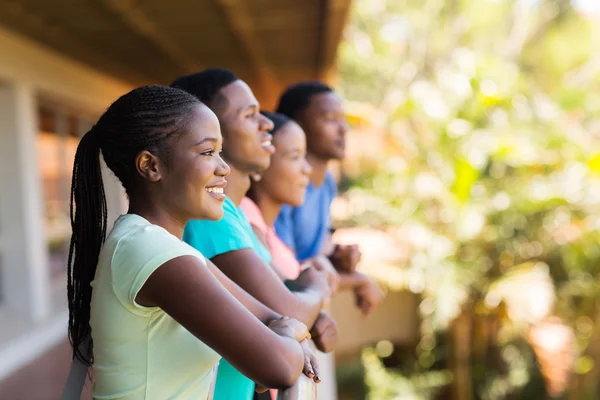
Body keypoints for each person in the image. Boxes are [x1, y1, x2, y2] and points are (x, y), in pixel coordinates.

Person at [66, 85, 317, 399]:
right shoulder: (153, 253)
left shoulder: (172, 251)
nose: (224, 168)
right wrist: (287, 335)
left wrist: (282, 332)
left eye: (220, 152)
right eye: (208, 152)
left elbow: (271, 318)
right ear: (151, 166)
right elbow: (278, 365)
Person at [172, 70, 337, 400]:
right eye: (249, 115)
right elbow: (289, 307)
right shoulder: (208, 219)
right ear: (209, 130)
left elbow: (283, 301)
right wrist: (317, 290)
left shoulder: (229, 213)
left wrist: (308, 308)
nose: (267, 125)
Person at [275, 82, 385, 399]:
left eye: (343, 118)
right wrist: (359, 280)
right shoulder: (281, 190)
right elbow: (286, 272)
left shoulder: (325, 187)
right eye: (329, 118)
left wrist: (338, 255)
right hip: (286, 323)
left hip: (311, 319)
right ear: (295, 124)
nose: (343, 129)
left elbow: (316, 251)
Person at [241, 111, 339, 400]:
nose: (307, 169)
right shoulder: (244, 219)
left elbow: (287, 295)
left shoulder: (270, 233)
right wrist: (317, 294)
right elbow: (291, 308)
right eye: (295, 156)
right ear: (261, 162)